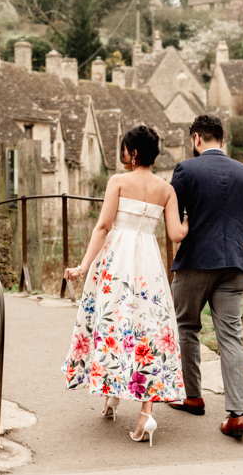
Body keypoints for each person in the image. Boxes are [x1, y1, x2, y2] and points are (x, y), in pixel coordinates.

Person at [62, 125, 189, 447]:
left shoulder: (118, 181)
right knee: (147, 330)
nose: (121, 155)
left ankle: (112, 389)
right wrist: (195, 218)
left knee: (113, 325)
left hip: (117, 262)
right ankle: (144, 412)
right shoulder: (167, 189)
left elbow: (103, 226)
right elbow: (176, 234)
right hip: (148, 266)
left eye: (123, 149)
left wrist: (82, 266)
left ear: (133, 153)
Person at [168, 114, 243, 438]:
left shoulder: (186, 170)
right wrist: (234, 237)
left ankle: (193, 396)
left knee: (186, 326)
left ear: (197, 139)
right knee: (231, 336)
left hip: (196, 260)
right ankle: (237, 414)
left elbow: (173, 216)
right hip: (237, 262)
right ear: (221, 140)